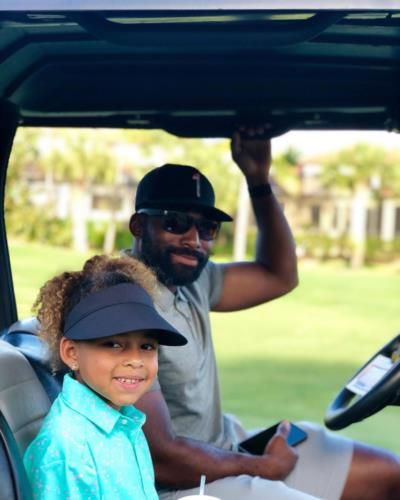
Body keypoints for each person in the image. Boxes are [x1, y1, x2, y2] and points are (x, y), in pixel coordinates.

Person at [126, 128, 400, 500]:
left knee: (390, 474)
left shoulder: (190, 281)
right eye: (175, 223)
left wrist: (258, 180)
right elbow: (161, 460)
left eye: (206, 228)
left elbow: (279, 275)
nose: (193, 239)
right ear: (139, 226)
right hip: (185, 486)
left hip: (227, 448)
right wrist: (262, 468)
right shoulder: (125, 305)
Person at [23, 254, 187, 500]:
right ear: (71, 353)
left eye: (147, 346)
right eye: (113, 344)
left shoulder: (125, 421)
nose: (135, 359)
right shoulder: (68, 448)